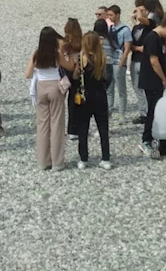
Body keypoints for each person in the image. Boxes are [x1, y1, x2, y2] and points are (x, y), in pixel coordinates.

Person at [25, 26, 75, 170]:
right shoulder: (56, 54)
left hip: (41, 88)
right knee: (57, 125)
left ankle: (43, 161)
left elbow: (28, 75)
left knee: (42, 125)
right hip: (55, 87)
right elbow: (70, 67)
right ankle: (57, 162)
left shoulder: (36, 54)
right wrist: (70, 54)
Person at [137, 17, 166, 156]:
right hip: (151, 80)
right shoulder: (152, 38)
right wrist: (163, 78)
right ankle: (146, 140)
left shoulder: (159, 39)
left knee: (156, 110)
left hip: (156, 79)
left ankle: (157, 138)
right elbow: (154, 61)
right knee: (153, 110)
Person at [73, 31, 112, 170]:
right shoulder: (102, 57)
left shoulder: (81, 58)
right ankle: (106, 158)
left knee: (83, 127)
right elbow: (108, 79)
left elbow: (76, 76)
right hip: (100, 94)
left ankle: (84, 159)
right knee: (103, 127)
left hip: (85, 95)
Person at [106, 5, 132, 121]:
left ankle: (122, 114)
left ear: (118, 15)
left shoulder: (125, 29)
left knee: (121, 89)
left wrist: (122, 62)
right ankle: (109, 110)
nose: (109, 17)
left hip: (119, 62)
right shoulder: (111, 28)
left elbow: (127, 47)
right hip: (110, 61)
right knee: (109, 88)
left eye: (111, 15)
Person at [129, 4, 153, 125]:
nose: (139, 12)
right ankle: (143, 112)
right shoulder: (136, 28)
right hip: (135, 59)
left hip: (145, 61)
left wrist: (138, 11)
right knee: (137, 88)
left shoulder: (151, 24)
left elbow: (142, 19)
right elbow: (130, 45)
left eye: (143, 10)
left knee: (145, 88)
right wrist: (138, 48)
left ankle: (149, 112)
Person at [62, 18, 83, 141]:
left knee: (61, 101)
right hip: (78, 70)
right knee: (76, 101)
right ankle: (75, 128)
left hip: (66, 70)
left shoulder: (64, 41)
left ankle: (67, 129)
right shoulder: (81, 41)